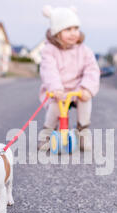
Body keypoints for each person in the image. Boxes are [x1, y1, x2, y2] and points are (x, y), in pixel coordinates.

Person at [38, 5, 100, 151]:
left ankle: (83, 130)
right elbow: (49, 71)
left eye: (75, 29)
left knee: (86, 101)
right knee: (54, 109)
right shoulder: (49, 51)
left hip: (78, 89)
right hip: (58, 91)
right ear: (56, 32)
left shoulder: (84, 51)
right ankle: (47, 133)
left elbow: (92, 70)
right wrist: (56, 88)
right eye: (67, 29)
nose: (73, 33)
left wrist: (87, 88)